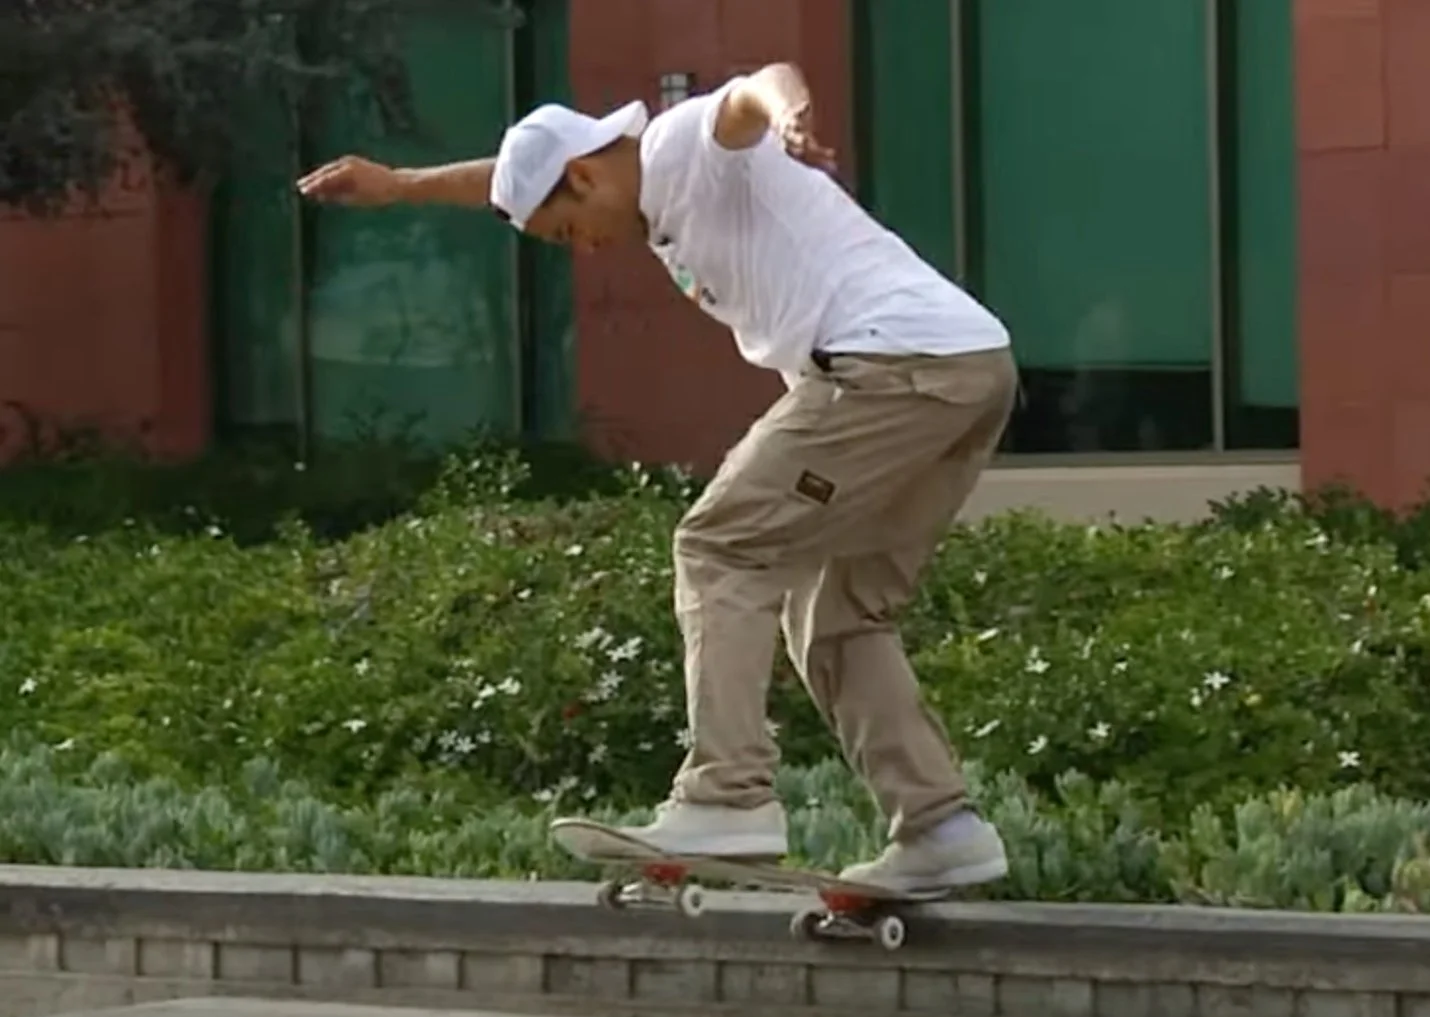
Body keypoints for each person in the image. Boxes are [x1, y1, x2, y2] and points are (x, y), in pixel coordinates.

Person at [296, 63, 1015, 895]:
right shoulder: (619, 184)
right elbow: (511, 181)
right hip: (966, 368)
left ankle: (728, 793)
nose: (587, 250)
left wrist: (787, 116)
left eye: (570, 233)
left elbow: (753, 90)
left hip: (887, 367)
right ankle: (940, 826)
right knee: (835, 610)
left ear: (587, 174)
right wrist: (400, 186)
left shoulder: (681, 147)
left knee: (718, 548)